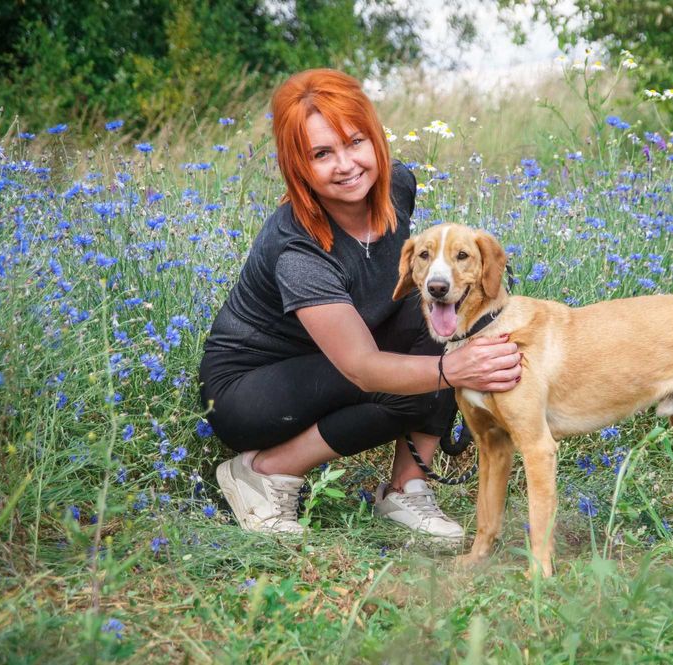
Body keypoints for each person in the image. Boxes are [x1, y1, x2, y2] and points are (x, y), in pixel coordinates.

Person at [199, 68, 522, 538]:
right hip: (252, 389)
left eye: (355, 142)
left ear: (375, 138)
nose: (347, 165)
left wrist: (457, 351)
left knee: (443, 322)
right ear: (297, 165)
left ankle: (407, 488)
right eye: (322, 154)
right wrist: (455, 370)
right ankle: (264, 471)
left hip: (340, 351)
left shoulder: (397, 186)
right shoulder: (298, 249)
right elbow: (362, 368)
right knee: (423, 373)